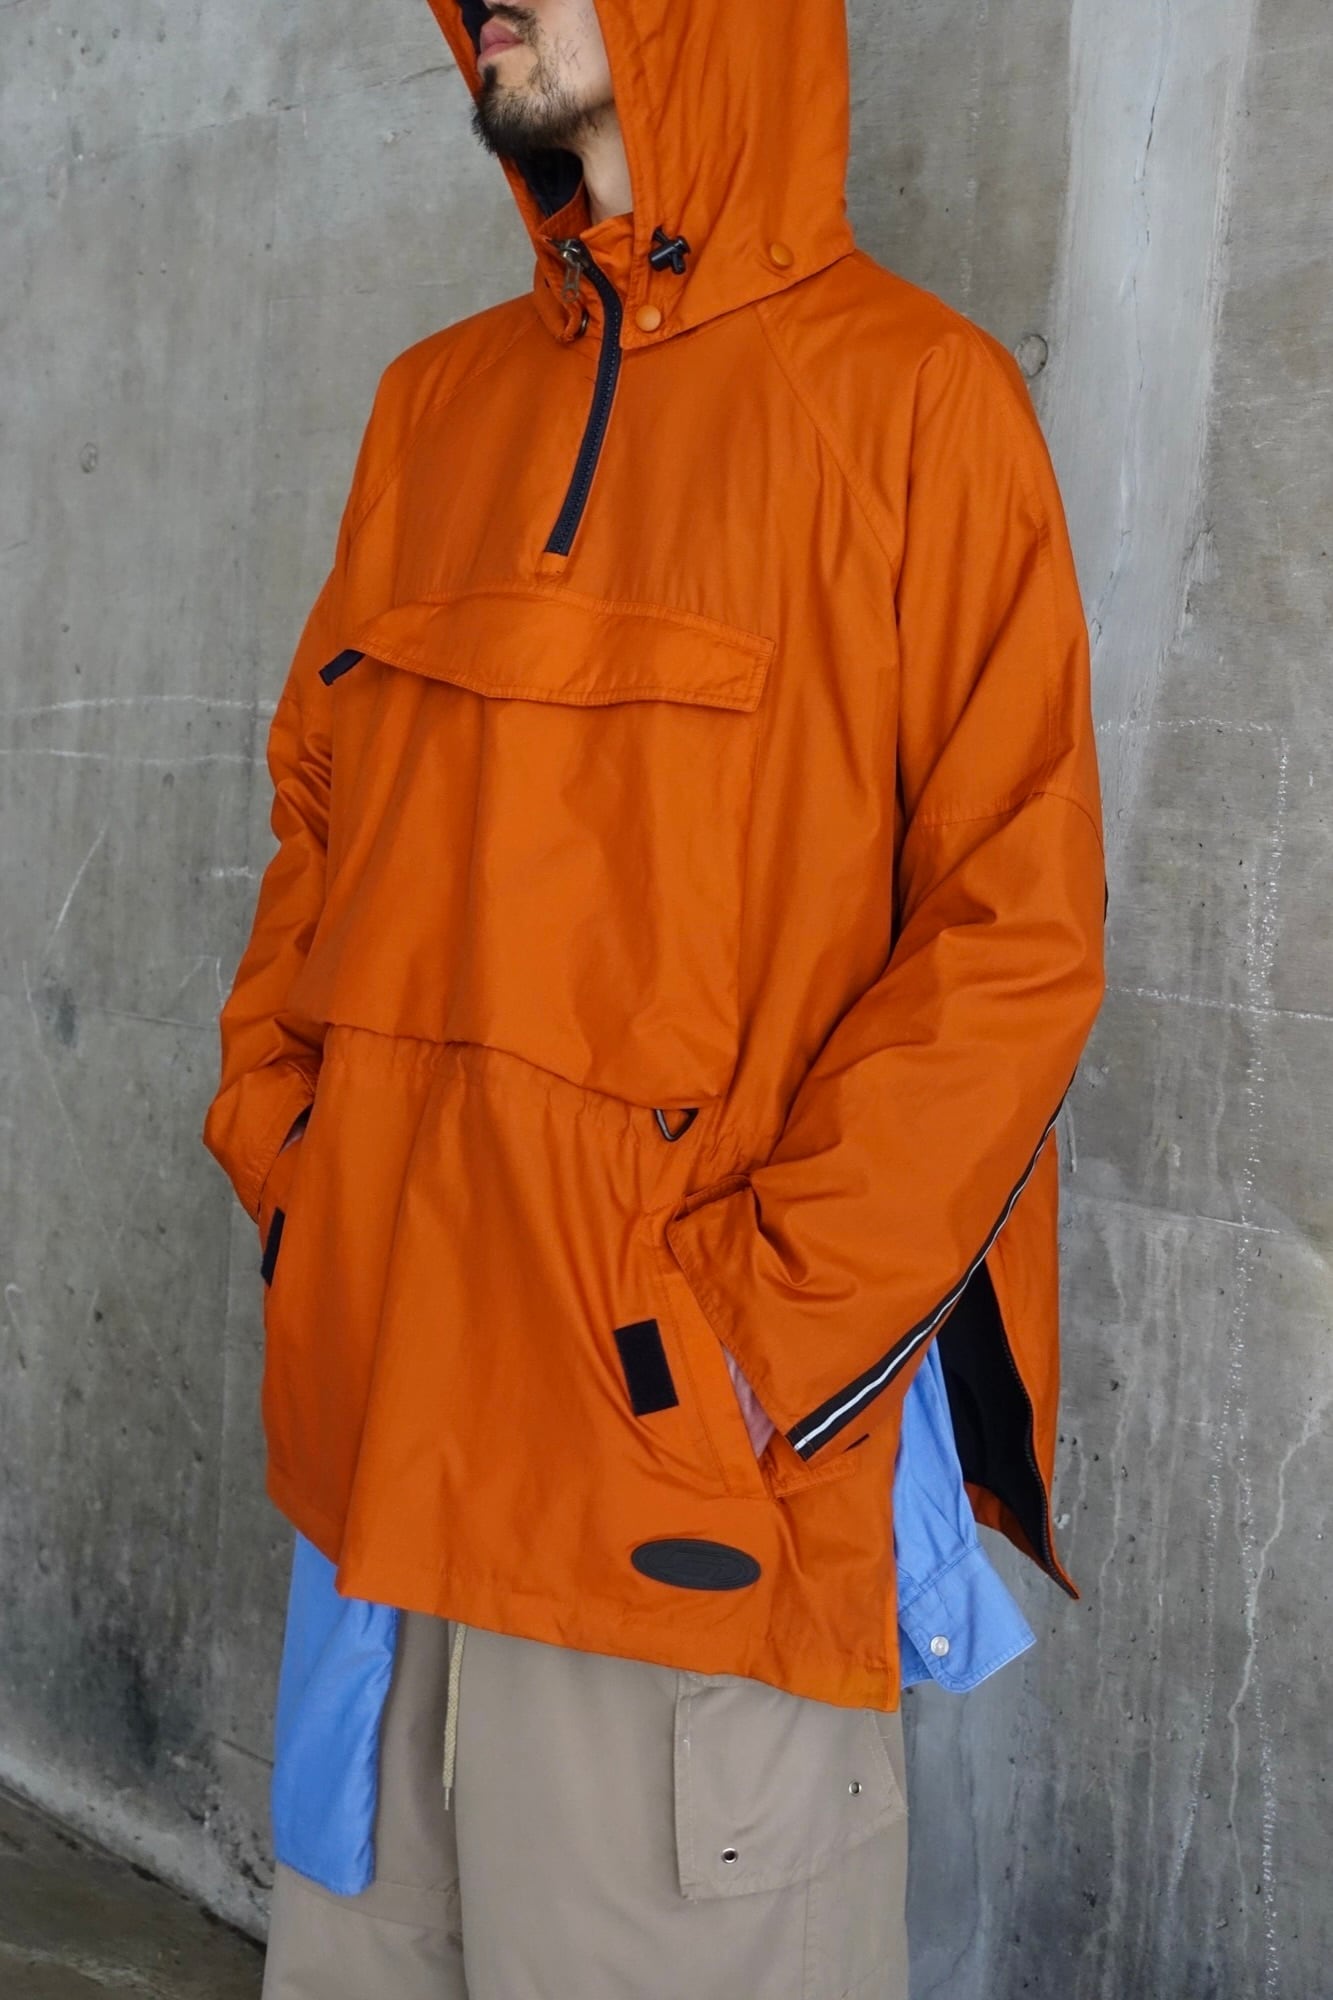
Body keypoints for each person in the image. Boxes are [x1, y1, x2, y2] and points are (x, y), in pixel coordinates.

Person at [201, 1, 1107, 1994]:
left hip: (680, 1507)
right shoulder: (432, 406)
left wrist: (751, 1352)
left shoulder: (917, 401)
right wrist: (295, 1173)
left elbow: (1012, 935)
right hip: (379, 1475)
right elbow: (317, 815)